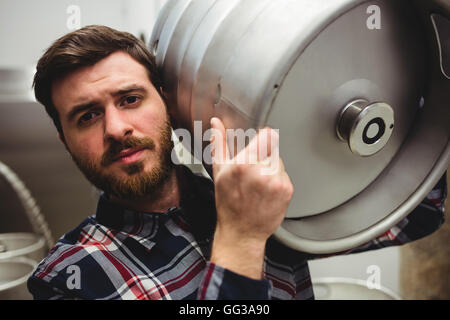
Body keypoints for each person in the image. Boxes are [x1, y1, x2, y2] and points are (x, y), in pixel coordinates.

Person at [27, 25, 447, 300]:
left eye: (130, 99)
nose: (117, 128)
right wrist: (242, 239)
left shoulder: (243, 192)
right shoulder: (69, 277)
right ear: (66, 142)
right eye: (88, 116)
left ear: (167, 103)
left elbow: (419, 212)